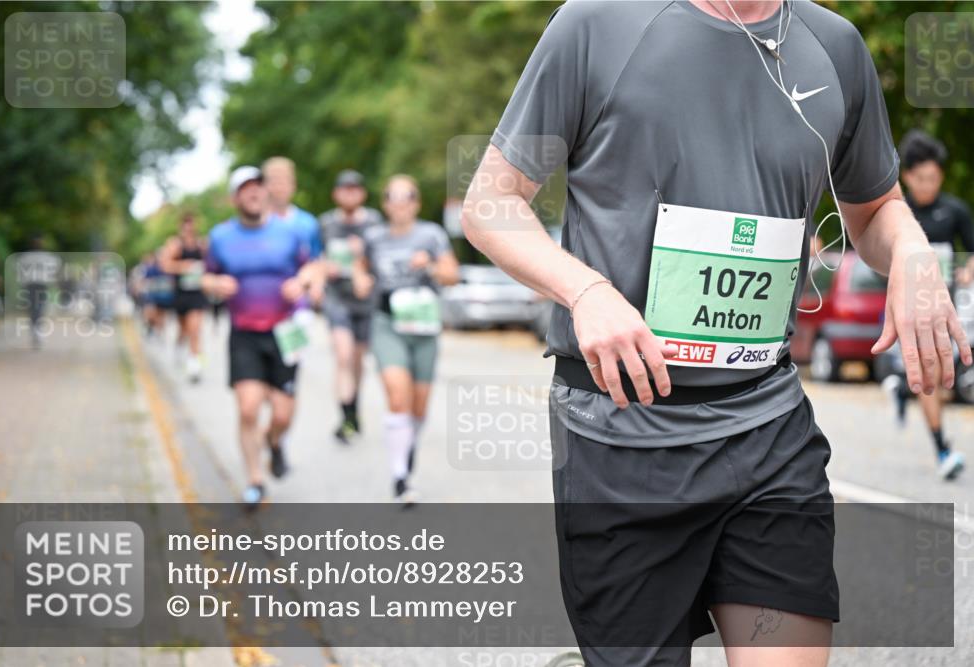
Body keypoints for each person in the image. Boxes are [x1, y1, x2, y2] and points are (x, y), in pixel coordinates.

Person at [462, 1, 971, 665]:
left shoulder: (835, 46)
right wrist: (585, 290)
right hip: (621, 436)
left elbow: (875, 208)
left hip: (768, 432)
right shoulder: (596, 23)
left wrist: (910, 249)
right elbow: (491, 203)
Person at [202, 166, 324, 509]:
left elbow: (315, 266)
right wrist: (215, 284)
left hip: (286, 331)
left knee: (283, 415)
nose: (254, 192)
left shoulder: (290, 232)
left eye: (258, 186)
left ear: (266, 193)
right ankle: (255, 481)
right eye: (246, 188)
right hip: (244, 333)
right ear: (235, 198)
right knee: (248, 408)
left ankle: (274, 441)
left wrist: (302, 282)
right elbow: (205, 277)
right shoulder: (220, 237)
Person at [353, 175, 458, 505]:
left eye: (407, 196)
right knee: (398, 398)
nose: (400, 203)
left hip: (424, 326)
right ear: (385, 203)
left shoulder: (431, 234)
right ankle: (400, 477)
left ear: (417, 202)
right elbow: (360, 267)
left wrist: (430, 266)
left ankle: (407, 445)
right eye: (393, 197)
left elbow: (452, 275)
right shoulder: (374, 237)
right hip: (388, 323)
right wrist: (360, 280)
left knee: (418, 406)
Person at [882, 129, 973, 480]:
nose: (927, 186)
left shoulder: (955, 211)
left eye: (933, 178)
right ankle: (943, 450)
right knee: (930, 373)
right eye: (920, 179)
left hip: (944, 309)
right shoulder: (897, 213)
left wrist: (967, 269)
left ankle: (902, 389)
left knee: (932, 377)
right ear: (907, 177)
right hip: (908, 309)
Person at [319, 170, 384, 443]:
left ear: (362, 194)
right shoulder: (326, 223)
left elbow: (382, 259)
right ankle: (345, 417)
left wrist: (363, 263)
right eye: (344, 189)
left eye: (354, 189)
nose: (349, 194)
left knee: (357, 361)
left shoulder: (374, 222)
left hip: (366, 302)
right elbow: (316, 257)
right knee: (343, 356)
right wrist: (326, 267)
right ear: (336, 194)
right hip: (337, 298)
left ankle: (353, 409)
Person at [160, 213, 209, 382]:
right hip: (181, 293)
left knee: (195, 330)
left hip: (197, 292)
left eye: (191, 225)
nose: (189, 229)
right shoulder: (175, 244)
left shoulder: (201, 244)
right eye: (186, 226)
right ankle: (180, 348)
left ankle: (194, 365)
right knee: (184, 330)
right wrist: (183, 266)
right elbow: (165, 265)